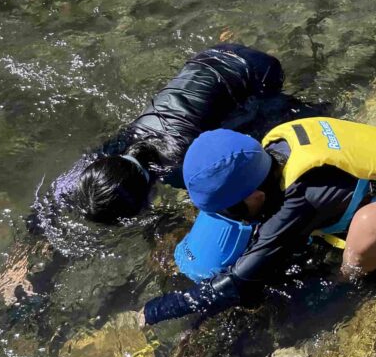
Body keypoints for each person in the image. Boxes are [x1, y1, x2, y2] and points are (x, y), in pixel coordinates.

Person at [139, 117, 376, 325]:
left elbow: (237, 284)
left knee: (370, 224)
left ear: (255, 197)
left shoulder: (299, 201)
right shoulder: (268, 150)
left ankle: (349, 280)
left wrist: (154, 312)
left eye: (229, 210)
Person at [48, 44, 284, 225]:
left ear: (145, 201)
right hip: (212, 54)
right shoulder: (123, 142)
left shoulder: (181, 167)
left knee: (258, 125)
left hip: (260, 72)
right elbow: (59, 191)